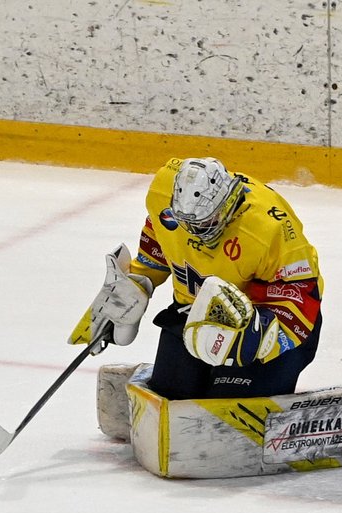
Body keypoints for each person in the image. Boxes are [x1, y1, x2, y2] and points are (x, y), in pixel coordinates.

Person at [69, 157, 324, 399]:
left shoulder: (271, 230)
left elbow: (301, 293)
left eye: (205, 222)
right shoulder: (163, 194)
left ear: (227, 203)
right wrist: (138, 284)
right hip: (191, 312)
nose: (195, 232)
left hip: (262, 321)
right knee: (171, 395)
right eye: (188, 224)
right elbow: (160, 236)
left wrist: (258, 338)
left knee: (228, 407)